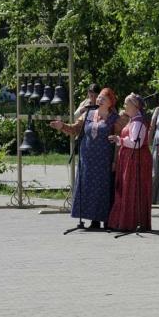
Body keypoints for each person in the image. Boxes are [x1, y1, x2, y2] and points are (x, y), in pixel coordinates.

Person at [50, 87, 125, 229]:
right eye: (99, 97)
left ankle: (107, 220)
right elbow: (75, 129)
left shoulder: (115, 119)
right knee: (89, 188)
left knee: (104, 189)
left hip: (104, 160)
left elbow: (118, 142)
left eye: (103, 98)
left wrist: (115, 160)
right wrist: (62, 126)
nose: (99, 99)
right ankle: (93, 220)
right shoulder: (88, 114)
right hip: (88, 160)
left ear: (110, 102)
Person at [107, 93, 153, 231]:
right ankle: (126, 221)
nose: (125, 106)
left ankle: (132, 222)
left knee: (133, 189)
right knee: (127, 189)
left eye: (127, 104)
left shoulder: (138, 122)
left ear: (135, 106)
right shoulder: (133, 120)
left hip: (137, 159)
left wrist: (119, 140)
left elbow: (136, 143)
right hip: (130, 158)